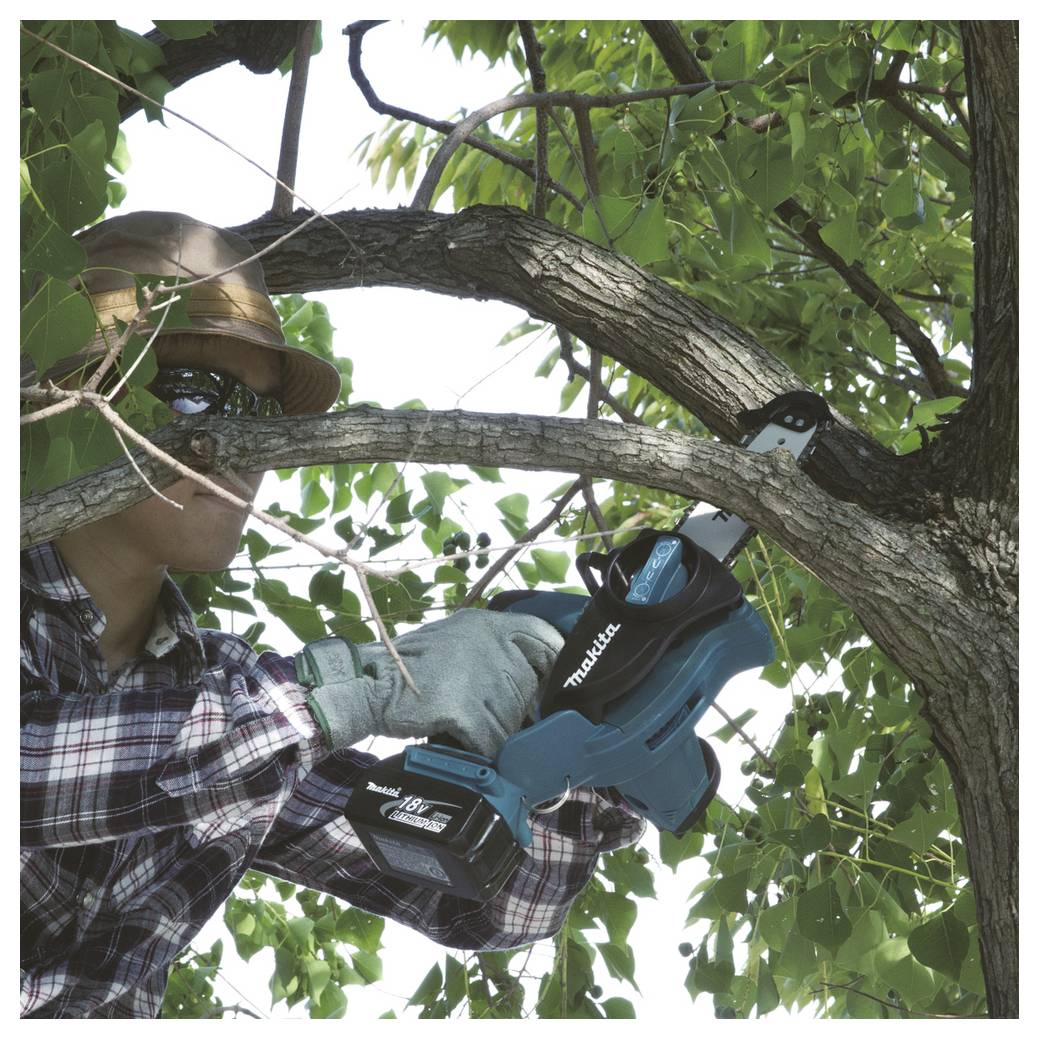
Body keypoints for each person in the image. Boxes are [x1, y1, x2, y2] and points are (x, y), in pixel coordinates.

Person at [20, 211, 645, 1018]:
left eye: (259, 416)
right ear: (65, 393)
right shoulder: (254, 718)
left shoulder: (228, 697)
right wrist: (351, 687)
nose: (236, 445)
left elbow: (489, 904)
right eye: (189, 393)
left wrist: (574, 743)